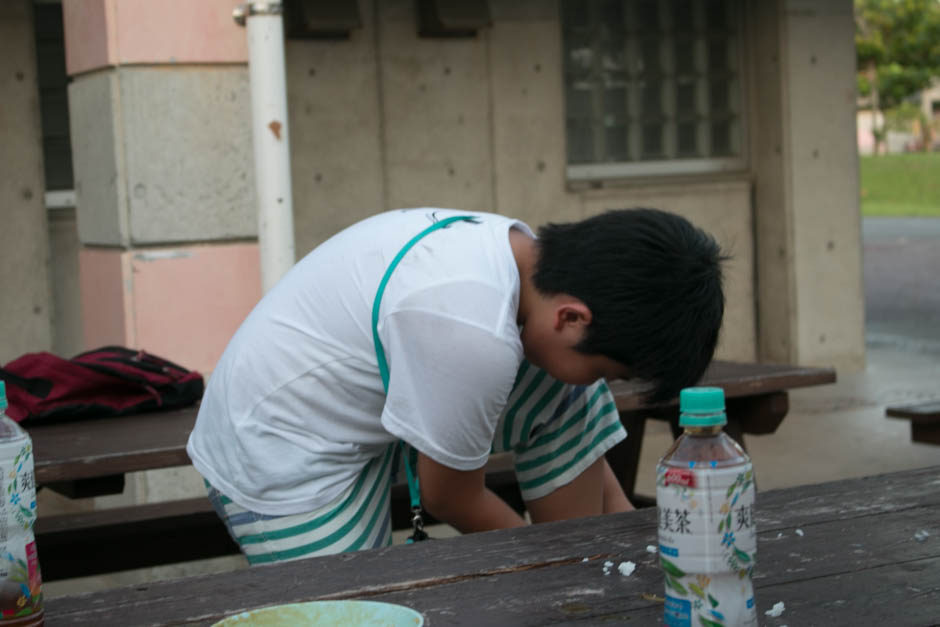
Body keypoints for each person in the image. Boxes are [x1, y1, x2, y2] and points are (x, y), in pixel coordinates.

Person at [187, 207, 726, 564]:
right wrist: (543, 567)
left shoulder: (525, 260)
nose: (606, 384)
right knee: (353, 603)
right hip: (280, 443)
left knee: (569, 391)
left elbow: (579, 424)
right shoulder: (471, 327)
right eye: (612, 371)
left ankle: (590, 556)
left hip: (367, 396)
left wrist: (652, 557)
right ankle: (575, 565)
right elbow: (450, 495)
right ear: (570, 317)